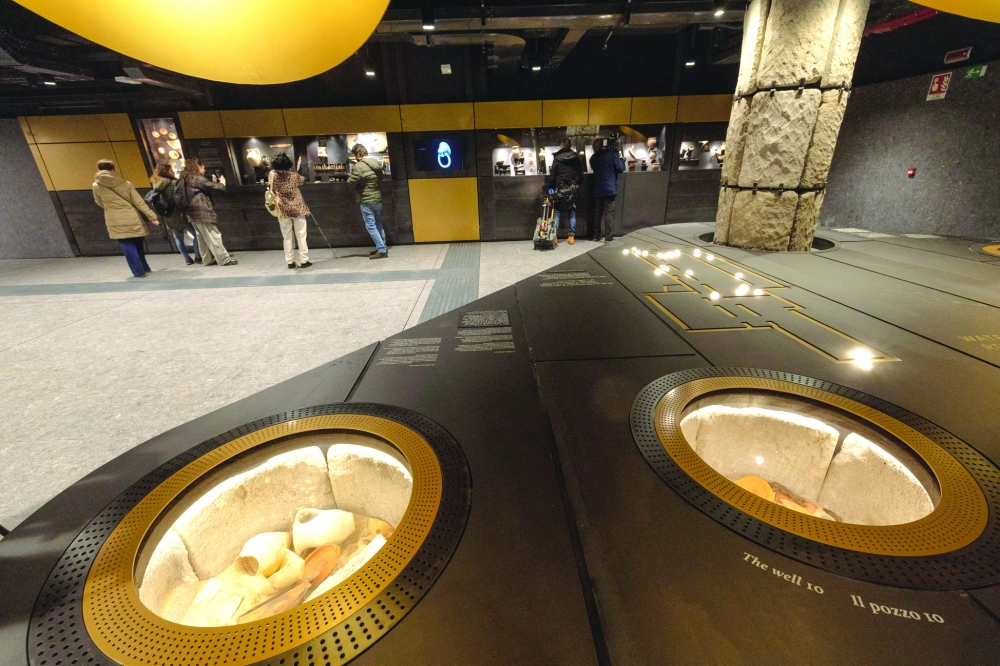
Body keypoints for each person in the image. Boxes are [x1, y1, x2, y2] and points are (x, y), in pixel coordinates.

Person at [92, 159, 160, 278]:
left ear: (99, 169)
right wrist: (152, 217)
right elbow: (139, 202)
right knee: (138, 243)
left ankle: (138, 272)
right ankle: (144, 267)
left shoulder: (96, 186)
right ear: (113, 168)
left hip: (114, 218)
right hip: (132, 216)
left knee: (126, 244)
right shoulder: (126, 183)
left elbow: (98, 202)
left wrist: (110, 208)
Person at [178, 158, 237, 266]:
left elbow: (206, 188)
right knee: (214, 236)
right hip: (202, 212)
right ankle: (224, 260)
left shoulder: (185, 179)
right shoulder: (197, 179)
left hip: (192, 214)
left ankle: (207, 259)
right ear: (198, 167)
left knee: (202, 238)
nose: (204, 170)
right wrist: (222, 182)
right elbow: (217, 188)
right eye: (203, 167)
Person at [150, 163, 201, 265]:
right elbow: (180, 197)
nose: (173, 172)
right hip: (180, 212)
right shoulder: (173, 182)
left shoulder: (156, 184)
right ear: (166, 172)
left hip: (168, 214)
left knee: (178, 237)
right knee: (197, 234)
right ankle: (197, 257)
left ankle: (187, 259)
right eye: (171, 170)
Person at [268, 153, 312, 269]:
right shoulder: (294, 176)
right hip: (298, 208)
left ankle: (290, 262)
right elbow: (304, 181)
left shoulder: (272, 176)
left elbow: (270, 187)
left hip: (282, 209)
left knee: (287, 237)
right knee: (301, 235)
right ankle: (304, 261)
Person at [347, 144, 388, 260]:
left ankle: (381, 249)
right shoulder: (376, 163)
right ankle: (382, 246)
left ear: (358, 154)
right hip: (377, 198)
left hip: (366, 199)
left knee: (371, 226)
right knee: (378, 223)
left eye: (354, 155)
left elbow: (350, 183)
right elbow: (380, 179)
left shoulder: (358, 166)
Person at [589, 137, 625, 242]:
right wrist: (621, 159)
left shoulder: (593, 157)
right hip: (610, 188)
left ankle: (596, 235)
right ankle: (608, 237)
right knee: (609, 212)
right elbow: (620, 169)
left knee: (598, 212)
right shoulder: (613, 155)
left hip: (598, 188)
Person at [547, 138, 582, 245]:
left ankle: (555, 237)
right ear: (570, 146)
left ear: (561, 145)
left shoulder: (557, 159)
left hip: (559, 189)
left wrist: (550, 189)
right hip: (571, 189)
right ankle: (571, 237)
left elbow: (553, 176)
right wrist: (576, 184)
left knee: (557, 213)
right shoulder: (576, 158)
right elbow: (580, 174)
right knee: (572, 212)